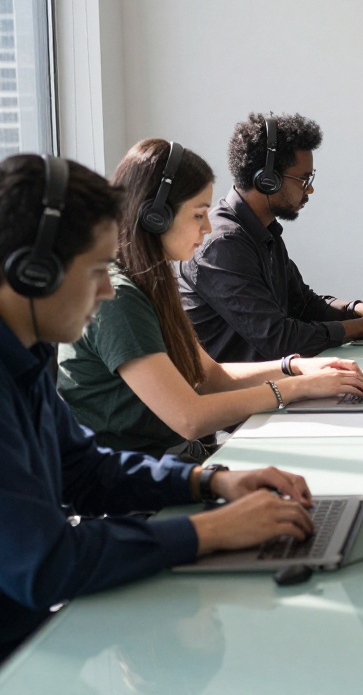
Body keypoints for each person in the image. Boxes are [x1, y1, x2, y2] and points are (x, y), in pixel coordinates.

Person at [0, 153, 315, 661]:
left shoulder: (27, 354)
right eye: (96, 270)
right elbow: (45, 563)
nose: (105, 290)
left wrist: (208, 483)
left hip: (38, 639)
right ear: (34, 273)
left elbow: (84, 470)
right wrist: (209, 529)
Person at [57, 140, 363, 460]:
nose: (207, 228)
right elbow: (189, 418)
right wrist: (297, 388)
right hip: (140, 483)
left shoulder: (153, 281)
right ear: (156, 217)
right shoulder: (117, 299)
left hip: (177, 458)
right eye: (198, 215)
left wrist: (296, 368)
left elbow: (209, 377)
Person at [178, 113, 363, 362]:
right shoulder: (221, 246)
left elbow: (302, 305)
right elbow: (278, 340)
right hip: (238, 396)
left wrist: (358, 311)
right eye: (303, 179)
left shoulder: (263, 230)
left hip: (270, 386)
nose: (309, 188)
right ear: (267, 180)